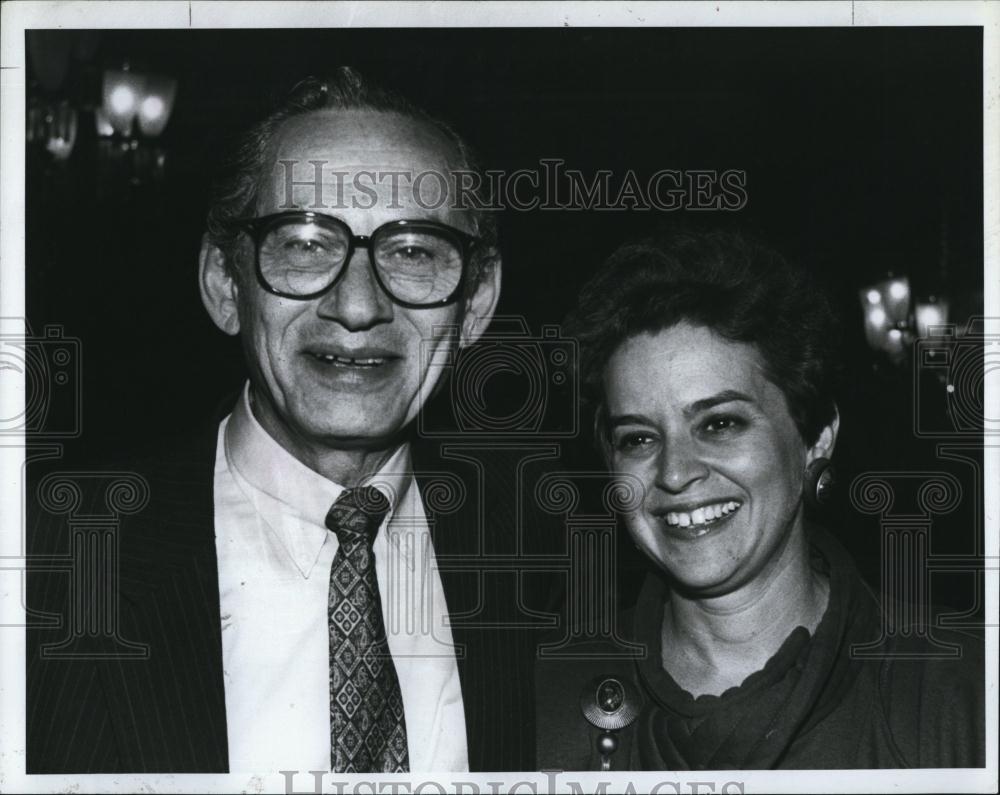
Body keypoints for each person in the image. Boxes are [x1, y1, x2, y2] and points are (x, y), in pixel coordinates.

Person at [27, 68, 557, 774]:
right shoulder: (49, 559)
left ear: (477, 302)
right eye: (305, 243)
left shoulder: (551, 568)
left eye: (413, 251)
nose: (359, 305)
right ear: (224, 283)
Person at [537, 230, 985, 770]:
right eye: (638, 438)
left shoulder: (963, 691)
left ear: (814, 435)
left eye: (720, 423)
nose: (675, 473)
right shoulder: (538, 696)